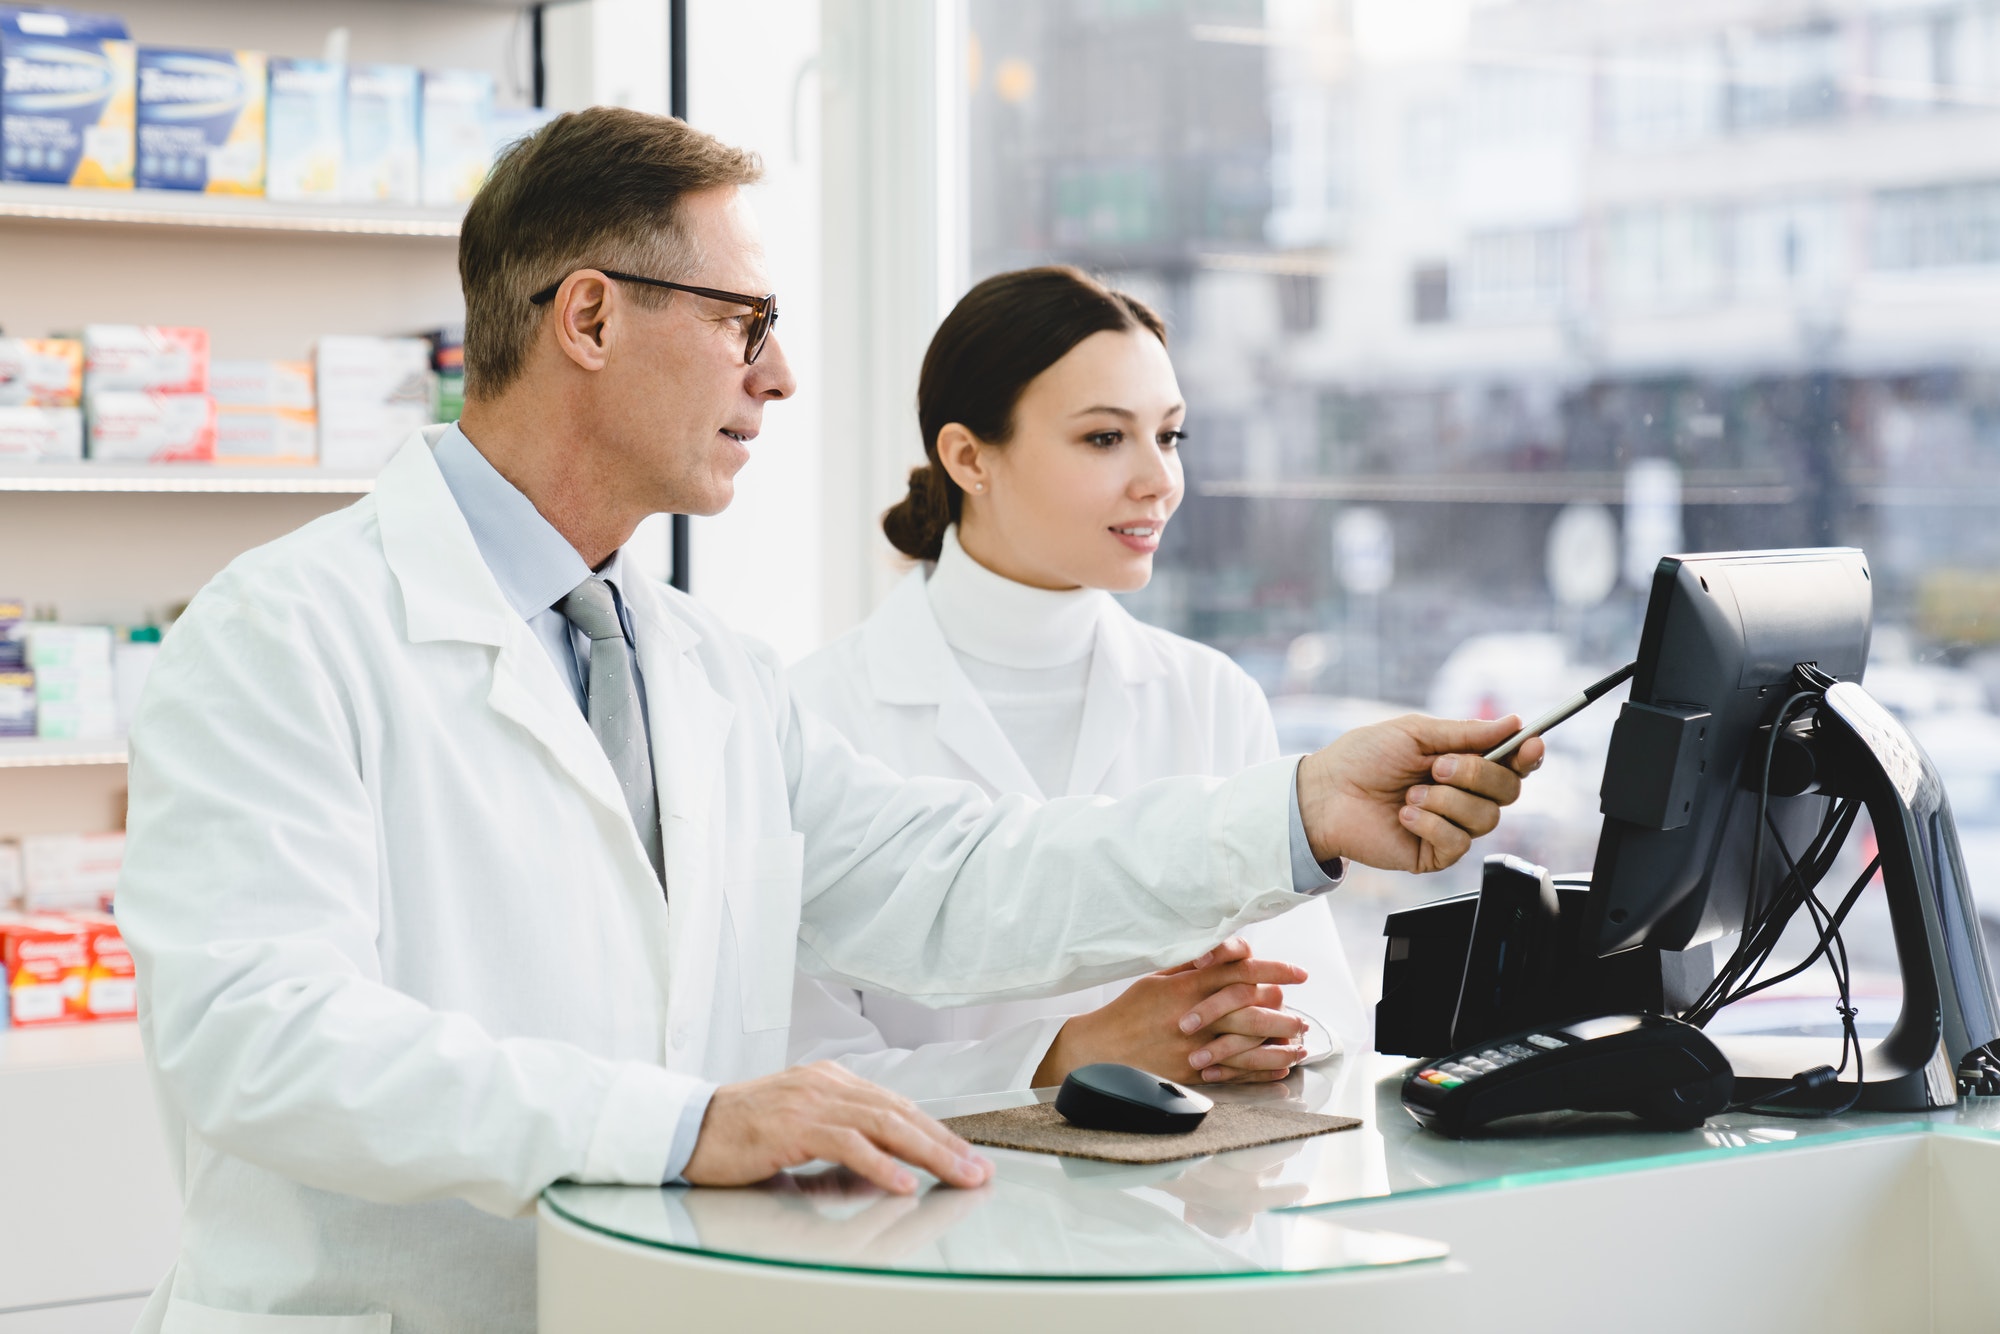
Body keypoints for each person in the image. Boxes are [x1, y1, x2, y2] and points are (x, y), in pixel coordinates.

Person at [115, 108, 1542, 1334]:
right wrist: (684, 1122)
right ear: (592, 317)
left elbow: (961, 881)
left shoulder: (706, 667)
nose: (780, 377)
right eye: (746, 323)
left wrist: (1290, 810)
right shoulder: (283, 630)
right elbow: (259, 1032)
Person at [789, 266, 1366, 1099]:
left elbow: (1318, 1016)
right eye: (1105, 438)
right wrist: (1068, 1055)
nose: (1158, 479)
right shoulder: (815, 715)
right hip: (928, 1222)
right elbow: (796, 1077)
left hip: (1181, 1215)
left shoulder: (1212, 696)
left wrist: (1252, 1034)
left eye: (1170, 436)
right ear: (968, 457)